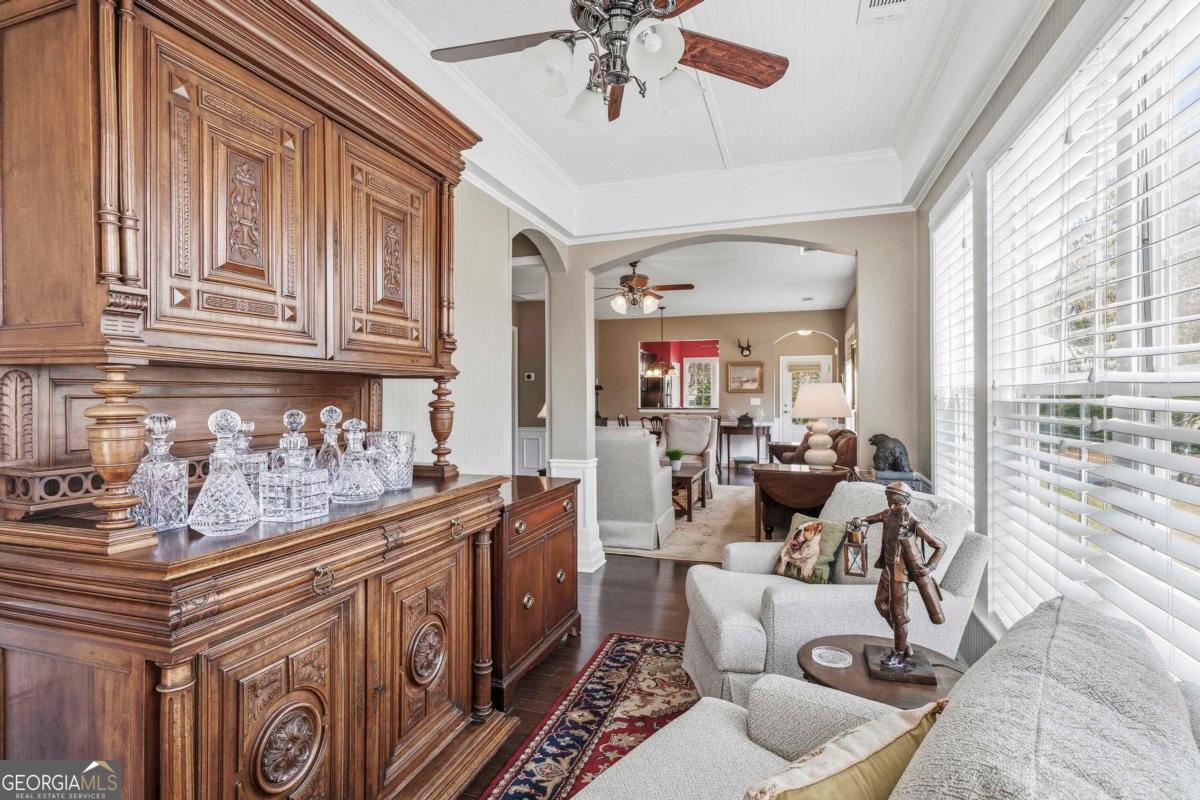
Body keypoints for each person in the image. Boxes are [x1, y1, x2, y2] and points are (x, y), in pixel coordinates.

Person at [849, 482, 946, 669]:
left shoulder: (913, 523)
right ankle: (904, 643)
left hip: (901, 575)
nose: (893, 507)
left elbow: (940, 546)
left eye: (898, 504)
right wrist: (860, 519)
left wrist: (929, 567)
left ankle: (899, 654)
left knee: (899, 615)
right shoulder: (888, 514)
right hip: (888, 569)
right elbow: (872, 518)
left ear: (907, 502)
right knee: (880, 604)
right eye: (890, 502)